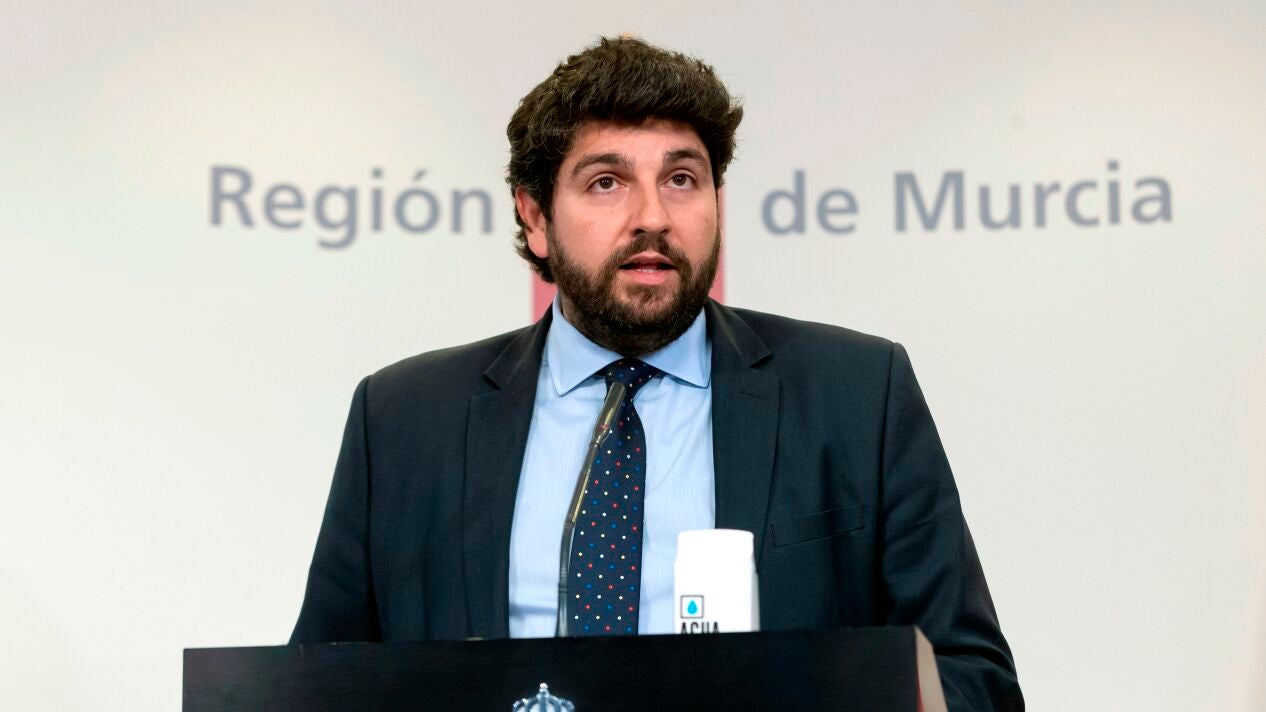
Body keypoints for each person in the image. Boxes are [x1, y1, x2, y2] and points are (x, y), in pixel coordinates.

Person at [291, 37, 1023, 710]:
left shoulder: (857, 394)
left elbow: (971, 679)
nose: (652, 216)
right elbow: (317, 688)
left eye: (681, 178)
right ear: (536, 217)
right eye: (606, 182)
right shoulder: (403, 419)